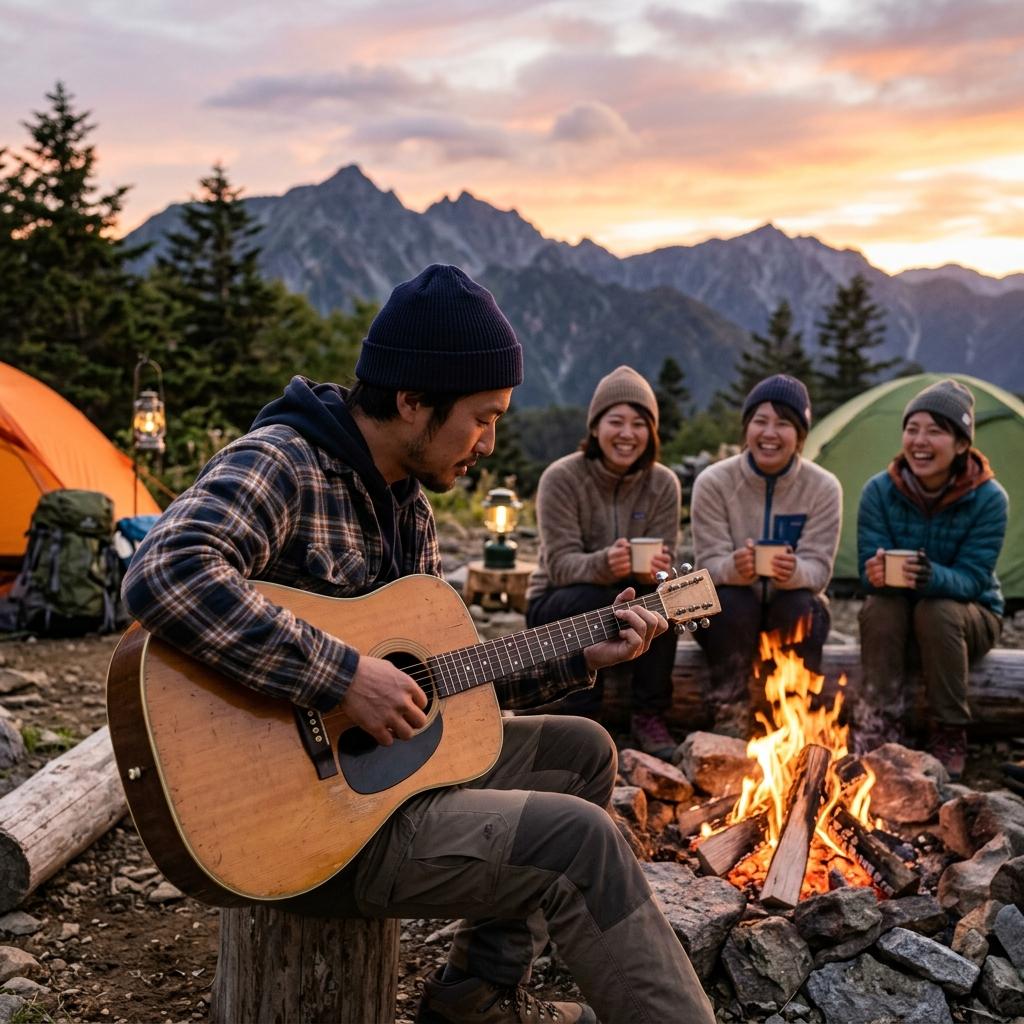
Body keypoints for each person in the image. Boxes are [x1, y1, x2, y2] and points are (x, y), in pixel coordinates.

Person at [122, 266, 714, 1024]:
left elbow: (437, 687)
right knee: (582, 843)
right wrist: (341, 677)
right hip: (309, 825)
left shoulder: (412, 511)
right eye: (482, 417)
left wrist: (581, 657)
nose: (489, 443)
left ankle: (476, 996)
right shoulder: (285, 461)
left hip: (388, 781)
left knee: (583, 753)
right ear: (412, 401)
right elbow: (165, 571)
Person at [525, 365, 681, 759]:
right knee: (591, 596)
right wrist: (604, 565)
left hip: (626, 600)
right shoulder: (561, 478)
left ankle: (648, 715)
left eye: (639, 424)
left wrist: (658, 571)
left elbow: (667, 562)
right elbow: (559, 567)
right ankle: (584, 718)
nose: (627, 434)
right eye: (616, 421)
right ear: (595, 427)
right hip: (557, 602)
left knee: (669, 599)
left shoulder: (663, 483)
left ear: (651, 432)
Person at [853, 378, 1007, 779]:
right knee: (879, 605)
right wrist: (875, 573)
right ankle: (881, 722)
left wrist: (928, 576)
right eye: (912, 429)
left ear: (961, 444)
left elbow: (974, 580)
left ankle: (949, 729)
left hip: (972, 616)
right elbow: (867, 572)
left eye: (935, 431)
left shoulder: (989, 498)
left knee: (936, 609)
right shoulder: (879, 491)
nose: (919, 441)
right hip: (900, 613)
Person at [689, 374, 842, 737]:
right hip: (729, 614)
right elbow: (706, 565)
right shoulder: (714, 482)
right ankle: (729, 712)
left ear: (800, 436)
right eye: (760, 421)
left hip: (790, 609)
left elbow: (819, 570)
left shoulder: (823, 487)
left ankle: (791, 719)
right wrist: (734, 567)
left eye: (783, 423)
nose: (769, 433)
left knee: (802, 605)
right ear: (746, 428)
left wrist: (794, 571)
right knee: (729, 598)